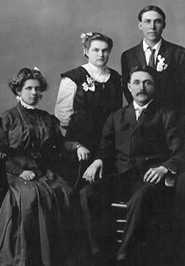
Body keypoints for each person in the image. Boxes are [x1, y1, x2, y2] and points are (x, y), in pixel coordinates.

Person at [83, 66, 185, 265]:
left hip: (152, 179)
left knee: (140, 198)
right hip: (123, 178)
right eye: (136, 82)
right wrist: (97, 161)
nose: (142, 88)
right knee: (88, 194)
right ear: (129, 87)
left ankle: (124, 254)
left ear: (154, 87)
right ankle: (99, 251)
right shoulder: (116, 116)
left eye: (148, 83)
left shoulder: (167, 115)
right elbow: (105, 148)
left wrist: (164, 168)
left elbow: (180, 151)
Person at [55, 32, 123, 264]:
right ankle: (83, 252)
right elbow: (63, 119)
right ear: (86, 51)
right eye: (95, 50)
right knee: (80, 195)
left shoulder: (116, 78)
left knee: (104, 193)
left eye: (105, 50)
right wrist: (76, 144)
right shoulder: (72, 78)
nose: (101, 54)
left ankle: (106, 250)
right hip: (79, 148)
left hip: (107, 147)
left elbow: (118, 116)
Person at [0, 67, 72, 266]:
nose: (34, 93)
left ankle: (55, 256)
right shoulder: (8, 118)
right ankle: (27, 258)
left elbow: (59, 144)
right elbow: (2, 151)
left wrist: (76, 145)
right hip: (14, 170)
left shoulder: (46, 117)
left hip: (42, 170)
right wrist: (19, 171)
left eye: (37, 89)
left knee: (63, 191)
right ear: (18, 91)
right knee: (30, 197)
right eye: (29, 88)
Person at [121, 5, 185, 112]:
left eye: (157, 21)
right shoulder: (128, 55)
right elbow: (128, 90)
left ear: (164, 25)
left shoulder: (179, 53)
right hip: (141, 115)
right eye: (147, 21)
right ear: (140, 25)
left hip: (170, 115)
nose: (152, 27)